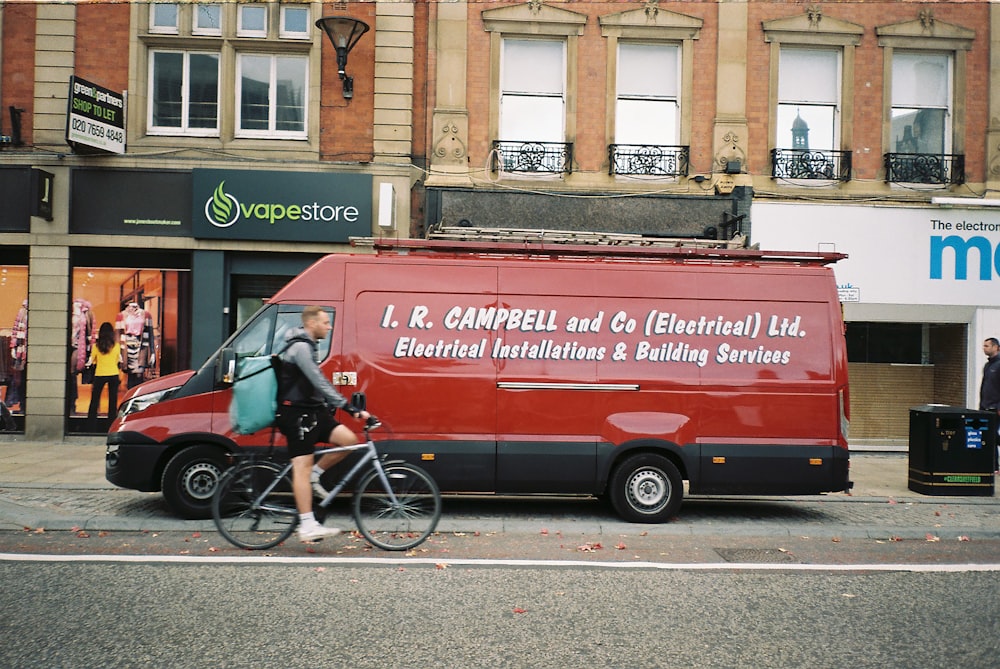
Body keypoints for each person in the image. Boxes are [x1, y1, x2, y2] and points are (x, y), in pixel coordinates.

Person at [275, 306, 369, 543]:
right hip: (295, 413)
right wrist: (347, 406)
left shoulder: (309, 346)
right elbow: (318, 380)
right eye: (325, 322)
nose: (329, 327)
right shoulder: (300, 347)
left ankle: (316, 476)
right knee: (301, 467)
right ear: (312, 323)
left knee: (348, 441)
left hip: (313, 411)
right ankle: (307, 525)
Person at [87, 322, 122, 425]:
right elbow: (117, 360)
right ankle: (111, 423)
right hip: (113, 373)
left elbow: (92, 361)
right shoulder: (116, 346)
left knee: (95, 400)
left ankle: (91, 423)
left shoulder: (96, 346)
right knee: (113, 401)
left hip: (100, 374)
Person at [979, 337, 1000, 471]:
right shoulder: (988, 365)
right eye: (984, 346)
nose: (984, 348)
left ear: (995, 347)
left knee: (991, 435)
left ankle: (994, 466)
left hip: (995, 408)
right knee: (988, 436)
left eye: (987, 346)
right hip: (986, 406)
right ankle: (993, 466)